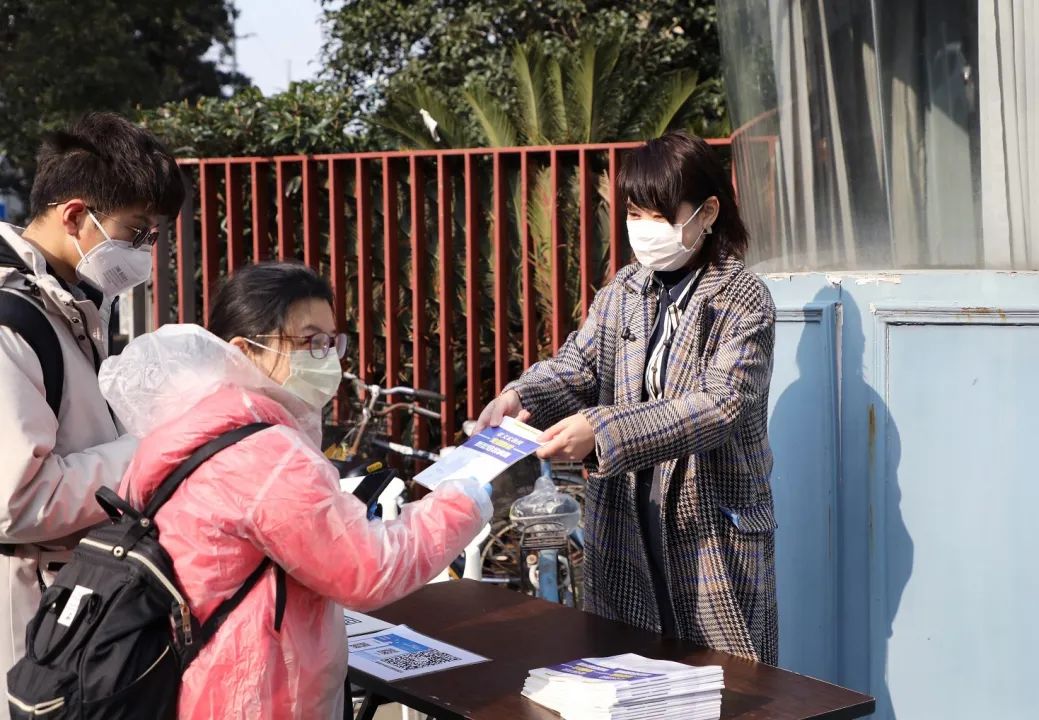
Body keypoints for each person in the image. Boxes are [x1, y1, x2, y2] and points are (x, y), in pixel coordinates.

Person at [98, 262, 493, 718]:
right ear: (245, 351)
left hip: (189, 684)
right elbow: (368, 568)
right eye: (310, 342)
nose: (327, 358)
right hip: (258, 697)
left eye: (331, 342)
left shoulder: (181, 430)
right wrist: (463, 498)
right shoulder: (266, 453)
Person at [476, 131, 778, 664]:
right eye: (635, 214)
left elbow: (721, 404)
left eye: (658, 216)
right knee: (627, 676)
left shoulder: (743, 297)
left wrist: (602, 431)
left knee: (727, 688)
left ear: (708, 213)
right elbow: (579, 364)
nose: (643, 229)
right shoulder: (625, 289)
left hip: (710, 532)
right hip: (626, 525)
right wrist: (521, 394)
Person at [0, 113, 183, 713]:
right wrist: (153, 448)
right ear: (76, 215)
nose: (144, 251)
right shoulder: (11, 322)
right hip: (27, 615)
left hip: (68, 604)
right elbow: (15, 501)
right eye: (136, 232)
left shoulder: (67, 298)